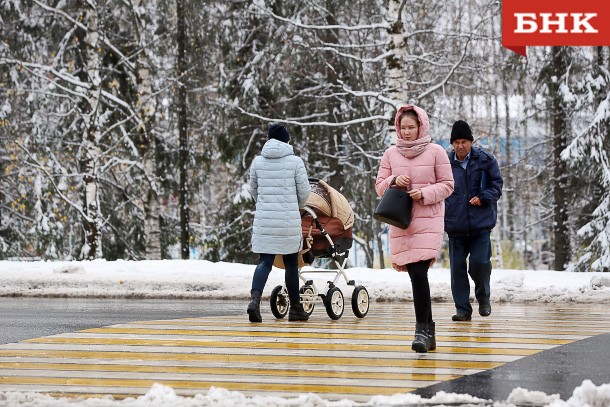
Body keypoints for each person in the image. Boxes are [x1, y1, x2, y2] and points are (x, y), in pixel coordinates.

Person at [375, 105, 454, 353]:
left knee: (419, 272)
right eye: (403, 128)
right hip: (401, 221)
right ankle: (428, 329)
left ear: (421, 126)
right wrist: (392, 181)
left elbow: (448, 185)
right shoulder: (390, 154)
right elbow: (379, 187)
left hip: (427, 219)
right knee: (415, 275)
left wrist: (425, 193)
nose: (407, 132)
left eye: (411, 127)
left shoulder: (436, 152)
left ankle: (421, 330)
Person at [247, 123, 311, 323]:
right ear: (286, 140)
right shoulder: (295, 162)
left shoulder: (257, 163)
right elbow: (305, 193)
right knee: (291, 263)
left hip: (265, 220)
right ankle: (295, 309)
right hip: (287, 221)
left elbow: (253, 191)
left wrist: (265, 204)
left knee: (265, 261)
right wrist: (295, 205)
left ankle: (254, 301)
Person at [444, 120, 503, 322]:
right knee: (457, 269)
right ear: (452, 144)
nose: (460, 146)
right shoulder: (444, 163)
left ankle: (483, 298)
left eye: (464, 141)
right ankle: (462, 309)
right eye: (456, 142)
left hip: (480, 224)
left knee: (479, 263)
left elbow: (497, 186)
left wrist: (484, 197)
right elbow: (438, 187)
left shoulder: (485, 160)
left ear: (471, 141)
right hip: (455, 223)